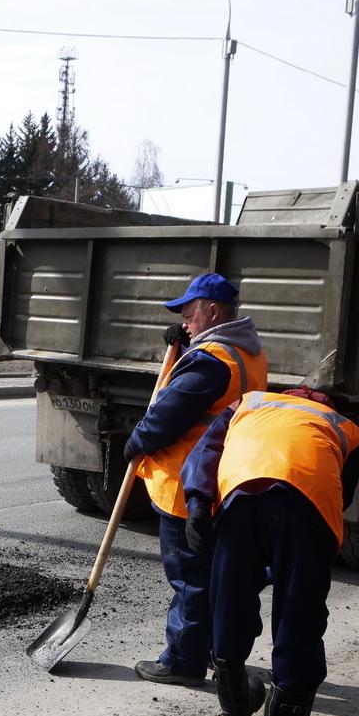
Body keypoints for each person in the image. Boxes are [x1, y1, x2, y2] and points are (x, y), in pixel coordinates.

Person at [181, 387, 359, 716]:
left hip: (239, 497)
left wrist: (198, 503)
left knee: (229, 600)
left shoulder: (248, 402)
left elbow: (206, 451)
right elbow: (341, 493)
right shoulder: (345, 428)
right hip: (307, 502)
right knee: (299, 615)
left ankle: (234, 711)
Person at [123, 273, 267, 687]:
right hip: (223, 482)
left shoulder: (210, 362)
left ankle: (183, 660)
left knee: (189, 577)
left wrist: (136, 442)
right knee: (213, 576)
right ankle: (212, 651)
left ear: (213, 312)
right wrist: (185, 346)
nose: (185, 320)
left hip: (187, 487)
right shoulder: (246, 353)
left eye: (190, 314)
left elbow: (168, 414)